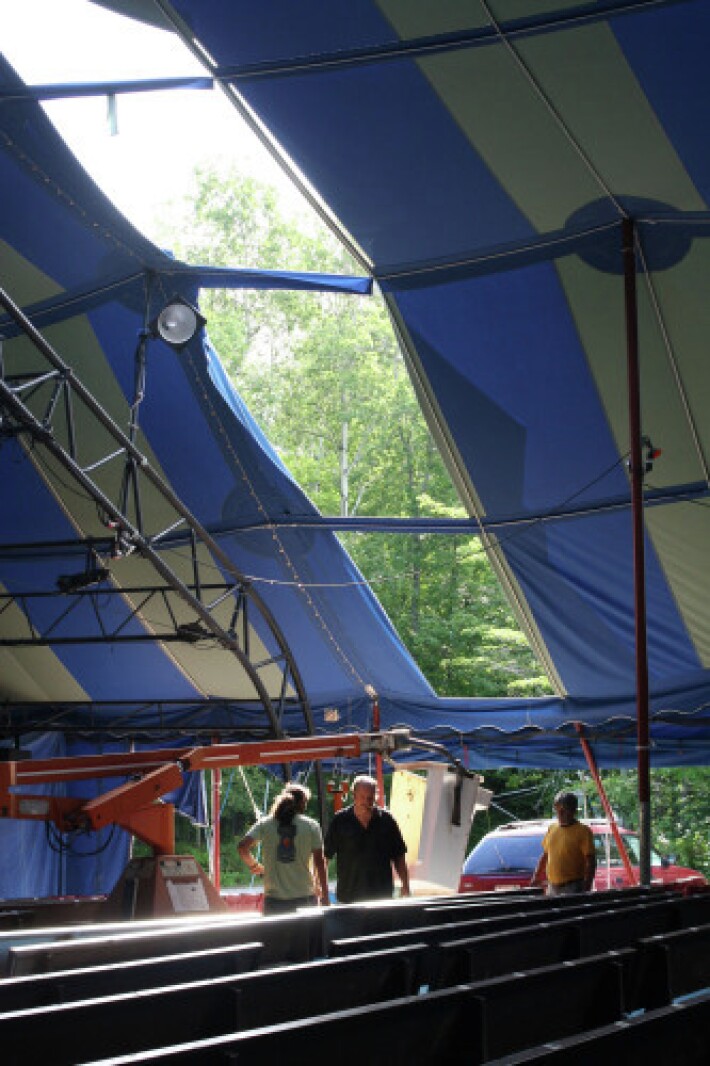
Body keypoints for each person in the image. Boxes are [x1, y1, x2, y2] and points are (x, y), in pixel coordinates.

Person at [238, 782, 330, 915]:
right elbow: (320, 863)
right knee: (306, 936)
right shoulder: (311, 826)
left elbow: (242, 848)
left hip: (274, 900)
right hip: (305, 898)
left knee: (275, 936)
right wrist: (325, 897)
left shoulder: (265, 824)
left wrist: (254, 866)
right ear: (302, 803)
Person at [323, 773, 411, 904]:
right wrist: (321, 889)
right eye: (362, 797)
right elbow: (325, 857)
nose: (366, 802)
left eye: (370, 798)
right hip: (349, 896)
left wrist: (405, 884)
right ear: (354, 795)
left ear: (375, 796)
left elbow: (399, 856)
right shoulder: (340, 820)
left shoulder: (387, 820)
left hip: (381, 896)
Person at [530, 790, 596, 895]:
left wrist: (587, 886)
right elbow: (545, 855)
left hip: (573, 887)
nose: (560, 813)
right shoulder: (552, 829)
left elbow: (591, 861)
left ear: (573, 810)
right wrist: (536, 877)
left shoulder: (583, 831)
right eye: (557, 809)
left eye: (563, 809)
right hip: (552, 887)